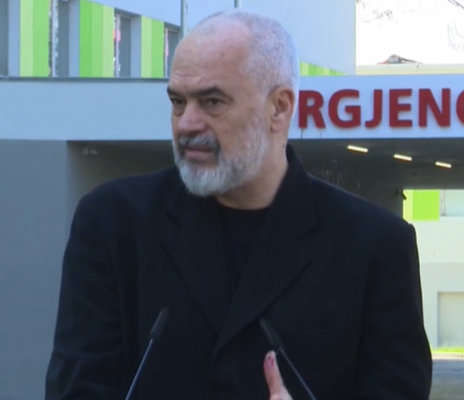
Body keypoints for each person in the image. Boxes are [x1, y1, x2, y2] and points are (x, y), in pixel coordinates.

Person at [45, 9, 432, 400]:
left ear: (280, 107)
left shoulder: (375, 245)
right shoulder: (112, 223)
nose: (186, 123)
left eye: (212, 101)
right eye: (178, 102)